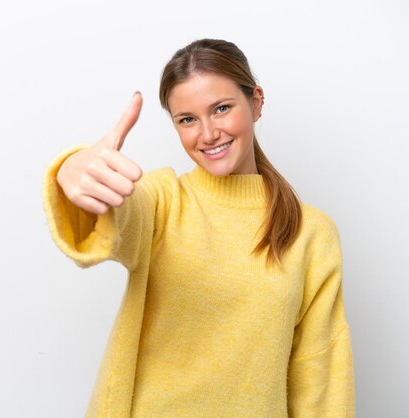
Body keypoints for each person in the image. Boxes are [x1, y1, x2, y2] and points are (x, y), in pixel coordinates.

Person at [42, 39, 355, 417]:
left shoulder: (312, 233)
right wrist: (72, 171)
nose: (207, 134)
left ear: (256, 102)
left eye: (221, 109)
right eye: (187, 119)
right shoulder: (162, 200)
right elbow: (114, 217)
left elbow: (320, 379)